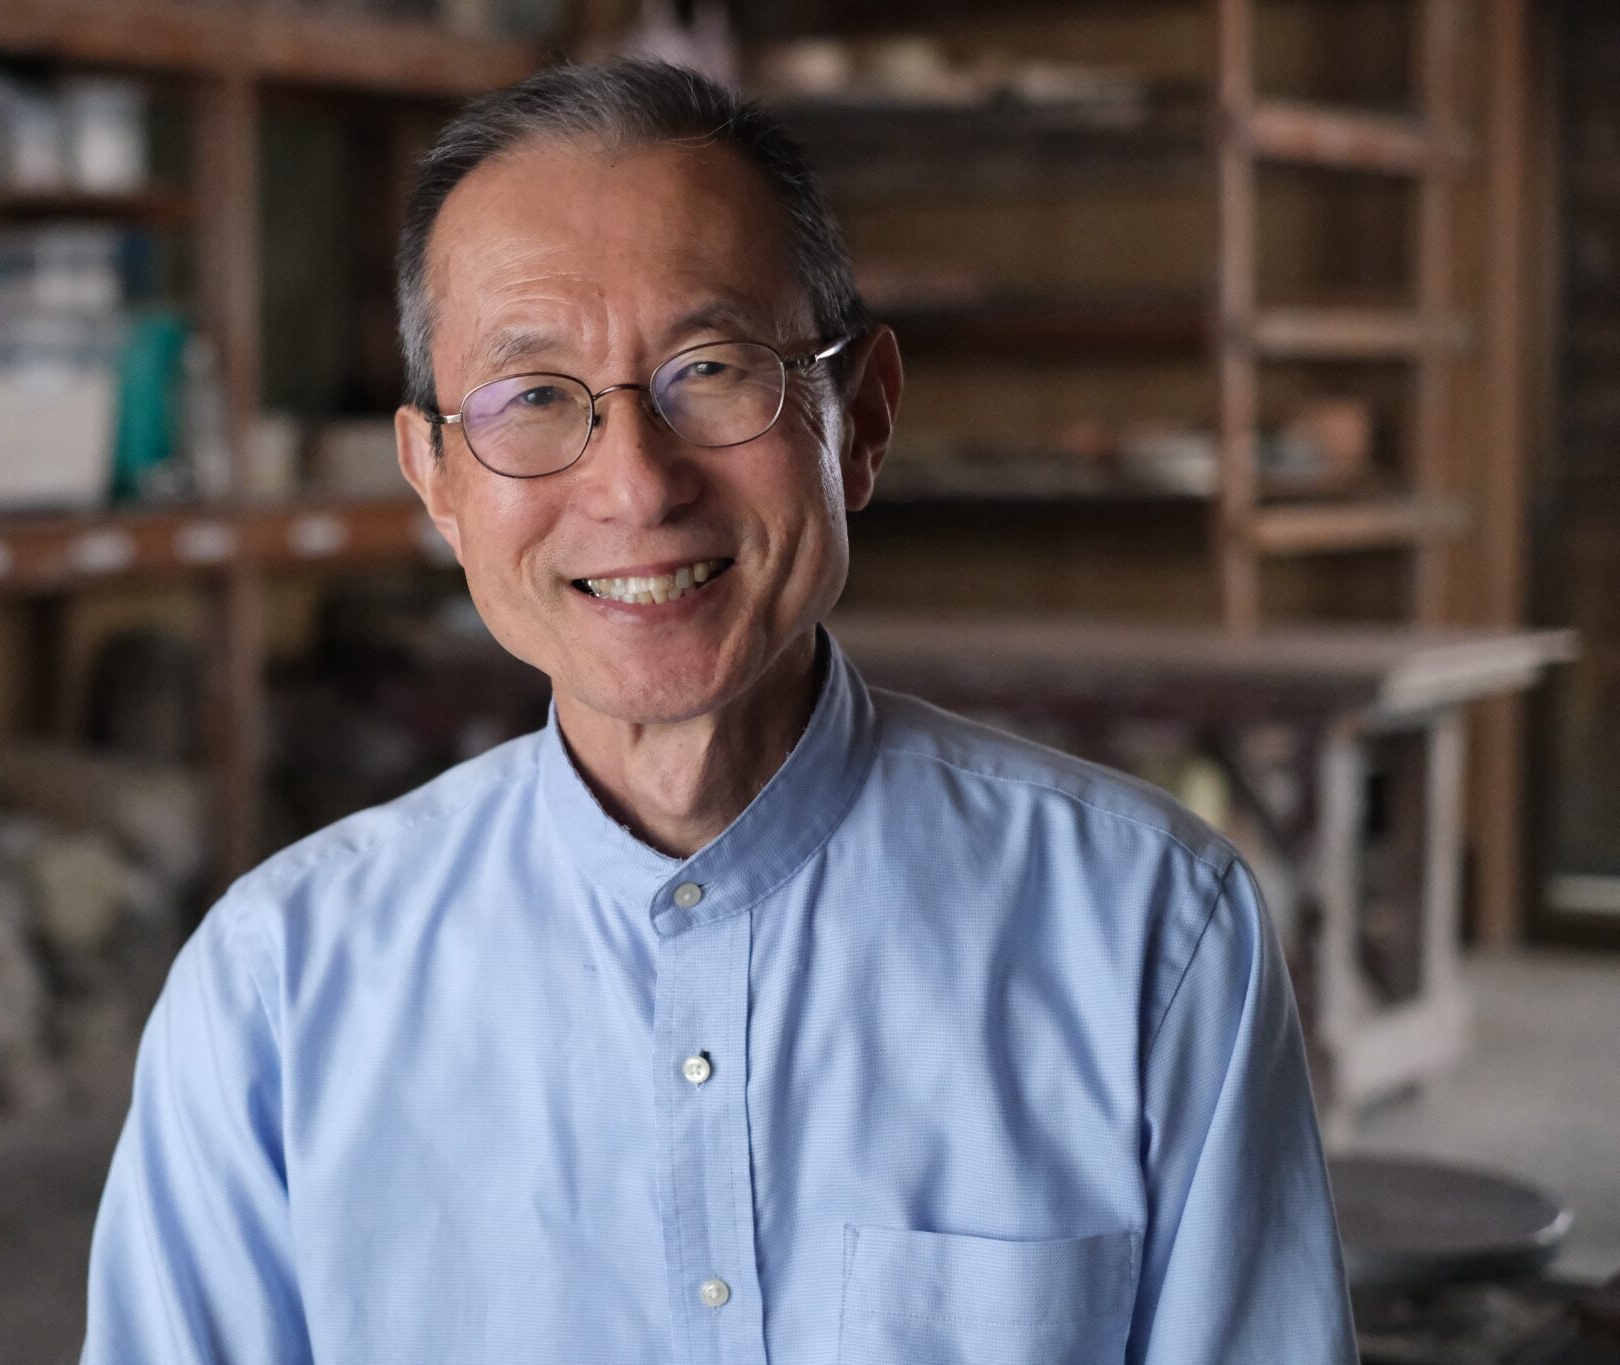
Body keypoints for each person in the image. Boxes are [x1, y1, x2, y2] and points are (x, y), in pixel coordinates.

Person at [82, 59, 1357, 1364]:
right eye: (535, 397)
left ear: (863, 420)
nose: (637, 486)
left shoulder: (1143, 929)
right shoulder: (277, 992)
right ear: (436, 478)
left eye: (713, 369)